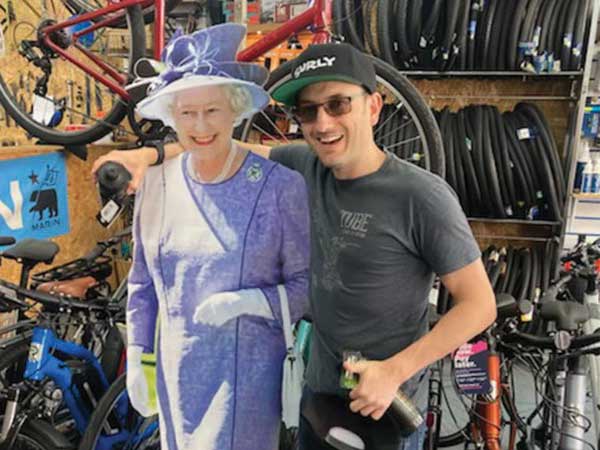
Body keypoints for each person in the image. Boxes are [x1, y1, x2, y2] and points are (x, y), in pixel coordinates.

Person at [94, 42, 496, 450]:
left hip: (383, 407)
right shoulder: (306, 167)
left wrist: (395, 370)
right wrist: (147, 154)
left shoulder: (420, 196)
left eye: (338, 105)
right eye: (308, 111)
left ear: (373, 107)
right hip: (318, 397)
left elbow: (479, 304)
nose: (323, 124)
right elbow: (222, 146)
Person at [123, 24, 310, 450]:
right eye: (187, 112)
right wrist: (138, 354)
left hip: (248, 384)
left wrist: (249, 302)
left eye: (213, 110)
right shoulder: (156, 186)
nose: (200, 125)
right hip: (177, 379)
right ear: (172, 116)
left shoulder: (279, 188)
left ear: (236, 111)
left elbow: (307, 287)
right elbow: (143, 285)